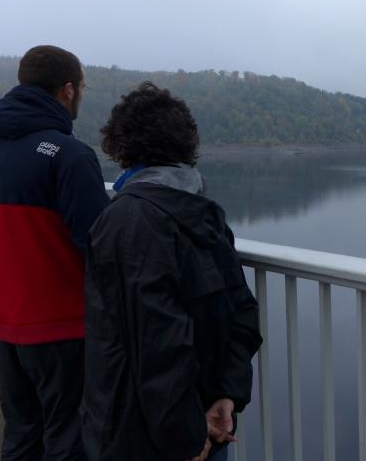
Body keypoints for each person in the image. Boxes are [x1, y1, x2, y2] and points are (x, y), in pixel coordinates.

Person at [81, 82, 262, 461]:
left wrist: (186, 435)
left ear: (121, 146)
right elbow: (241, 312)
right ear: (186, 143)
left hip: (146, 435)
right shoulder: (205, 213)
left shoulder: (125, 220)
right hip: (207, 421)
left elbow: (159, 342)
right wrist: (226, 394)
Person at [0, 45, 110, 460]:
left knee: (21, 435)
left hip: (6, 325)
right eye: (82, 87)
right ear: (68, 90)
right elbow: (99, 247)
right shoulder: (69, 155)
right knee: (68, 441)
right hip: (62, 329)